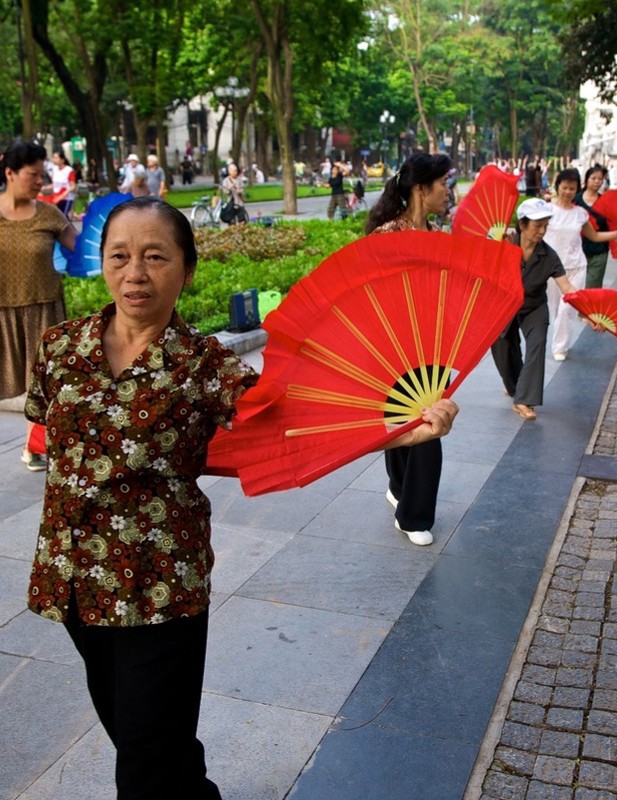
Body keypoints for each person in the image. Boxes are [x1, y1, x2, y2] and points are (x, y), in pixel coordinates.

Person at [23, 196, 457, 799]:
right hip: (73, 576)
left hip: (159, 583)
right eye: (119, 256)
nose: (135, 273)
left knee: (144, 759)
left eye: (155, 257)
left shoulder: (205, 364)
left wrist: (403, 431)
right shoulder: (60, 346)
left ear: (187, 270)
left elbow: (290, 423)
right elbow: (43, 424)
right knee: (140, 729)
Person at [364, 152, 453, 546]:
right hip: (396, 346)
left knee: (416, 419)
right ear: (421, 188)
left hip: (434, 345)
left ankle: (399, 489)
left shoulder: (438, 236)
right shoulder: (386, 237)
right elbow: (370, 295)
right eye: (443, 184)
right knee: (422, 424)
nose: (448, 191)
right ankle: (413, 516)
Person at [491, 198, 604, 421]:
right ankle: (516, 386)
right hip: (505, 305)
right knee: (502, 346)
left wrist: (588, 314)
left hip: (534, 306)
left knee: (538, 343)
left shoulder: (549, 255)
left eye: (545, 225)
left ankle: (524, 399)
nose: (542, 231)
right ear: (522, 225)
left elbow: (567, 288)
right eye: (537, 226)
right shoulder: (504, 245)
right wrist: (497, 247)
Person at [0, 141, 76, 470]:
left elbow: (82, 249)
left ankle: (32, 446)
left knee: (44, 384)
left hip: (43, 311)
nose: (40, 182)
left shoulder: (49, 214)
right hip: (2, 311)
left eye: (42, 175)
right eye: (33, 175)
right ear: (10, 173)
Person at [544, 168, 617, 361]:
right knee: (554, 309)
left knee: (567, 308)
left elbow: (594, 236)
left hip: (576, 266)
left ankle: (560, 347)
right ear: (558, 187)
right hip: (552, 269)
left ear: (576, 189)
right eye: (565, 187)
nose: (568, 192)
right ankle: (560, 339)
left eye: (572, 188)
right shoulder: (547, 210)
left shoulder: (580, 213)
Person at [575, 165, 611, 288]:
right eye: (593, 178)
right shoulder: (576, 200)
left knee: (592, 287)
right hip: (577, 251)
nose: (597, 181)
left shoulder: (605, 202)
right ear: (586, 180)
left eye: (600, 179)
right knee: (576, 287)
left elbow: (612, 223)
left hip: (599, 250)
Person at [49, 148, 77, 218]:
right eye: (53, 158)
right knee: (58, 217)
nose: (54, 160)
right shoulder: (54, 169)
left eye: (56, 158)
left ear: (62, 160)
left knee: (64, 217)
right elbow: (54, 184)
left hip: (67, 198)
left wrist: (63, 195)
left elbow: (73, 186)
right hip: (56, 197)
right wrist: (43, 188)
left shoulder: (69, 170)